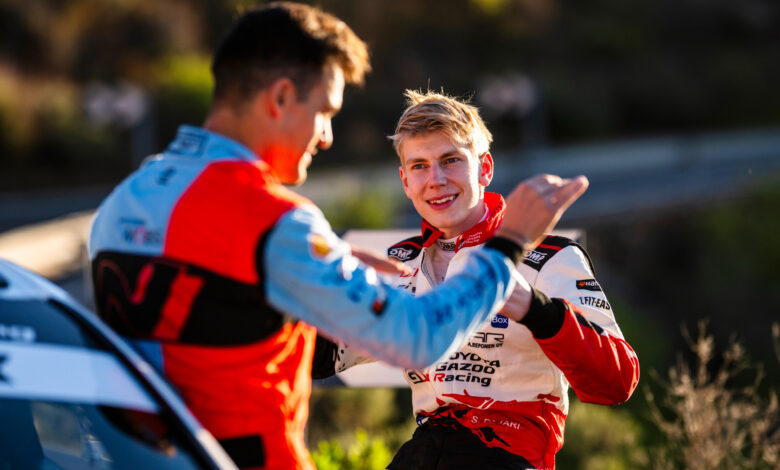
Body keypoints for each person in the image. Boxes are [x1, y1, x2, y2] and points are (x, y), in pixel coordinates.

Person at [87, 3, 587, 470]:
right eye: (325, 110)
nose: (325, 136)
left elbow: (205, 318)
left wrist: (312, 273)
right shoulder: (275, 220)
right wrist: (509, 243)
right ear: (281, 97)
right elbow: (419, 340)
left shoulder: (125, 200)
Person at [313, 90, 639, 470]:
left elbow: (617, 382)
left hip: (509, 455)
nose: (435, 180)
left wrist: (535, 309)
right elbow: (316, 361)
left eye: (450, 161)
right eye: (419, 166)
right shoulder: (399, 263)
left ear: (484, 168)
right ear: (404, 181)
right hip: (424, 453)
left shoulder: (548, 257)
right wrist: (311, 289)